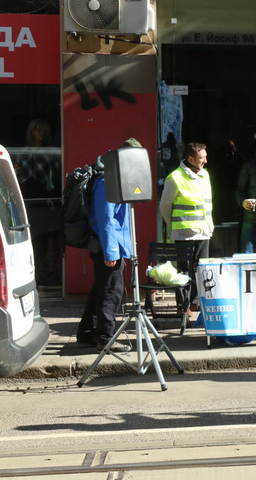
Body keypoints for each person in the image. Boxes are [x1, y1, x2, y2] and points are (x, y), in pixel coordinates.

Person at [76, 138, 141, 353]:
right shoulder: (107, 181)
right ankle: (105, 338)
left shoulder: (113, 178)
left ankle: (87, 332)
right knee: (111, 292)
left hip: (110, 245)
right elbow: (106, 220)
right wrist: (112, 251)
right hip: (108, 247)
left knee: (100, 289)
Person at [158, 142, 214, 261]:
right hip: (185, 236)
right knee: (185, 276)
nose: (206, 161)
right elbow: (164, 207)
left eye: (205, 156)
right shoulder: (175, 178)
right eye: (202, 158)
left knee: (203, 273)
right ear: (191, 159)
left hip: (204, 233)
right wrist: (175, 225)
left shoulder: (205, 175)